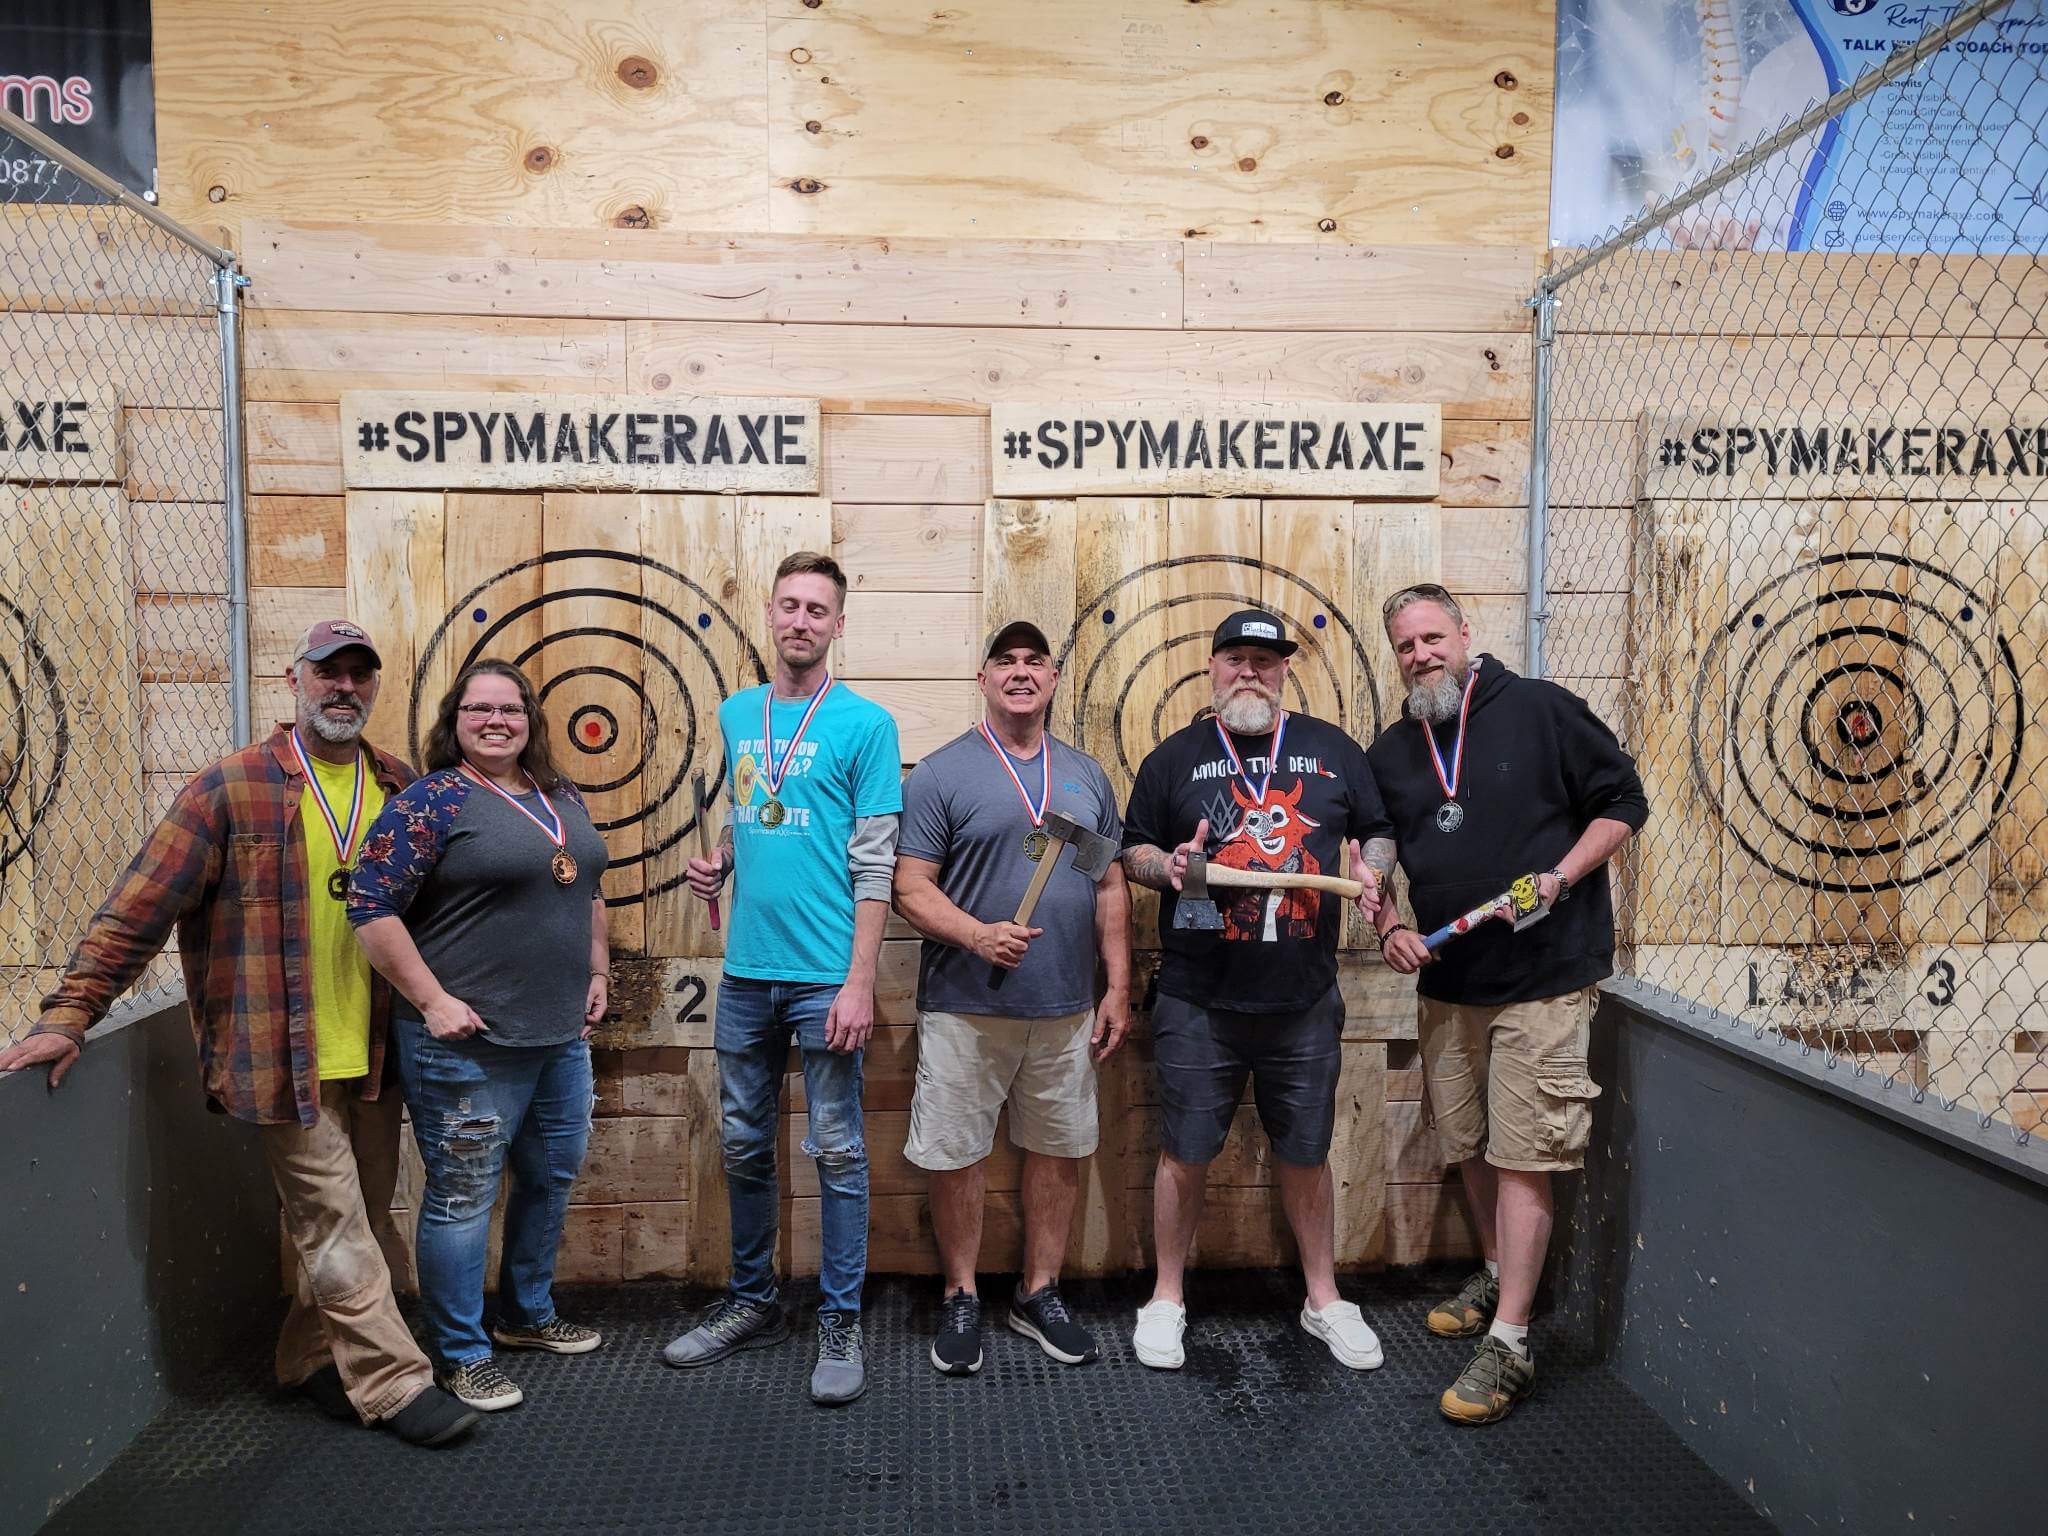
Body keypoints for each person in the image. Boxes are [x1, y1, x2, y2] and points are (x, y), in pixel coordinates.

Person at [0, 621, 477, 1447]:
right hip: (277, 1053)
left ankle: (311, 1359)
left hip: (373, 1050)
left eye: (360, 676)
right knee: (333, 1219)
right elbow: (136, 908)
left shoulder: (399, 783)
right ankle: (396, 1385)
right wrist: (71, 1013)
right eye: (328, 673)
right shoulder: (229, 788)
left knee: (359, 1208)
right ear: (293, 680)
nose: (344, 689)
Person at [1365, 584, 1647, 1425]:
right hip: (1450, 986)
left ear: (1464, 633)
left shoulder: (1542, 710)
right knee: (1474, 1147)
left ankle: (1514, 1341)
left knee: (1525, 1154)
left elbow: (1624, 802)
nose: (1420, 655)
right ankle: (1496, 1270)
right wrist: (1387, 928)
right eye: (1405, 646)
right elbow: (1375, 861)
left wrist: (1561, 877)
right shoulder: (1394, 750)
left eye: (1431, 637)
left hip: (1544, 980)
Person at [1119, 609, 1391, 1372]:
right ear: (1212, 668)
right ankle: (1167, 1297)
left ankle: (1323, 1299)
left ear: (1284, 673)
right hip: (1198, 999)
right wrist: (1165, 868)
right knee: (1185, 1150)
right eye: (1235, 658)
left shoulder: (1332, 751)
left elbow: (1375, 831)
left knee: (1306, 1152)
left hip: (1303, 999)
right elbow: (1131, 846)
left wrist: (1375, 868)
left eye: (1265, 662)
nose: (1250, 672)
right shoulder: (1174, 758)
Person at [666, 551, 903, 1407]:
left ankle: (839, 1318)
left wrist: (858, 983)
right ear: (770, 614)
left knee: (837, 1150)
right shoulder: (738, 714)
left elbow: (874, 864)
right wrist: (721, 862)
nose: (802, 621)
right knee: (740, 1143)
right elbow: (751, 809)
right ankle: (752, 1299)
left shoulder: (867, 726)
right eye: (790, 606)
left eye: (819, 610)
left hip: (822, 978)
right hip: (746, 975)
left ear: (839, 625)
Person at [349, 658, 611, 1414]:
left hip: (559, 1038)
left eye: (510, 709)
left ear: (530, 719)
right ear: (454, 722)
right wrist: (430, 1000)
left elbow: (587, 885)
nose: (497, 720)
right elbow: (370, 908)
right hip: (464, 1044)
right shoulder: (431, 801)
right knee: (462, 1197)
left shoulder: (560, 798)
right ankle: (462, 1353)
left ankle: (527, 1316)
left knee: (549, 1178)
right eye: (479, 709)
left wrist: (597, 969)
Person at [892, 620, 1132, 1376]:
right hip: (966, 1006)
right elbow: (909, 887)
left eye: (1035, 662)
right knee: (957, 1153)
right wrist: (974, 935)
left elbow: (1109, 883)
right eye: (1007, 662)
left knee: (1058, 1150)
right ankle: (961, 1292)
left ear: (1054, 678)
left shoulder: (1085, 778)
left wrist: (1117, 984)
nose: (1021, 673)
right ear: (984, 679)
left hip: (1065, 1008)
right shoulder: (940, 775)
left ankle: (1038, 1291)